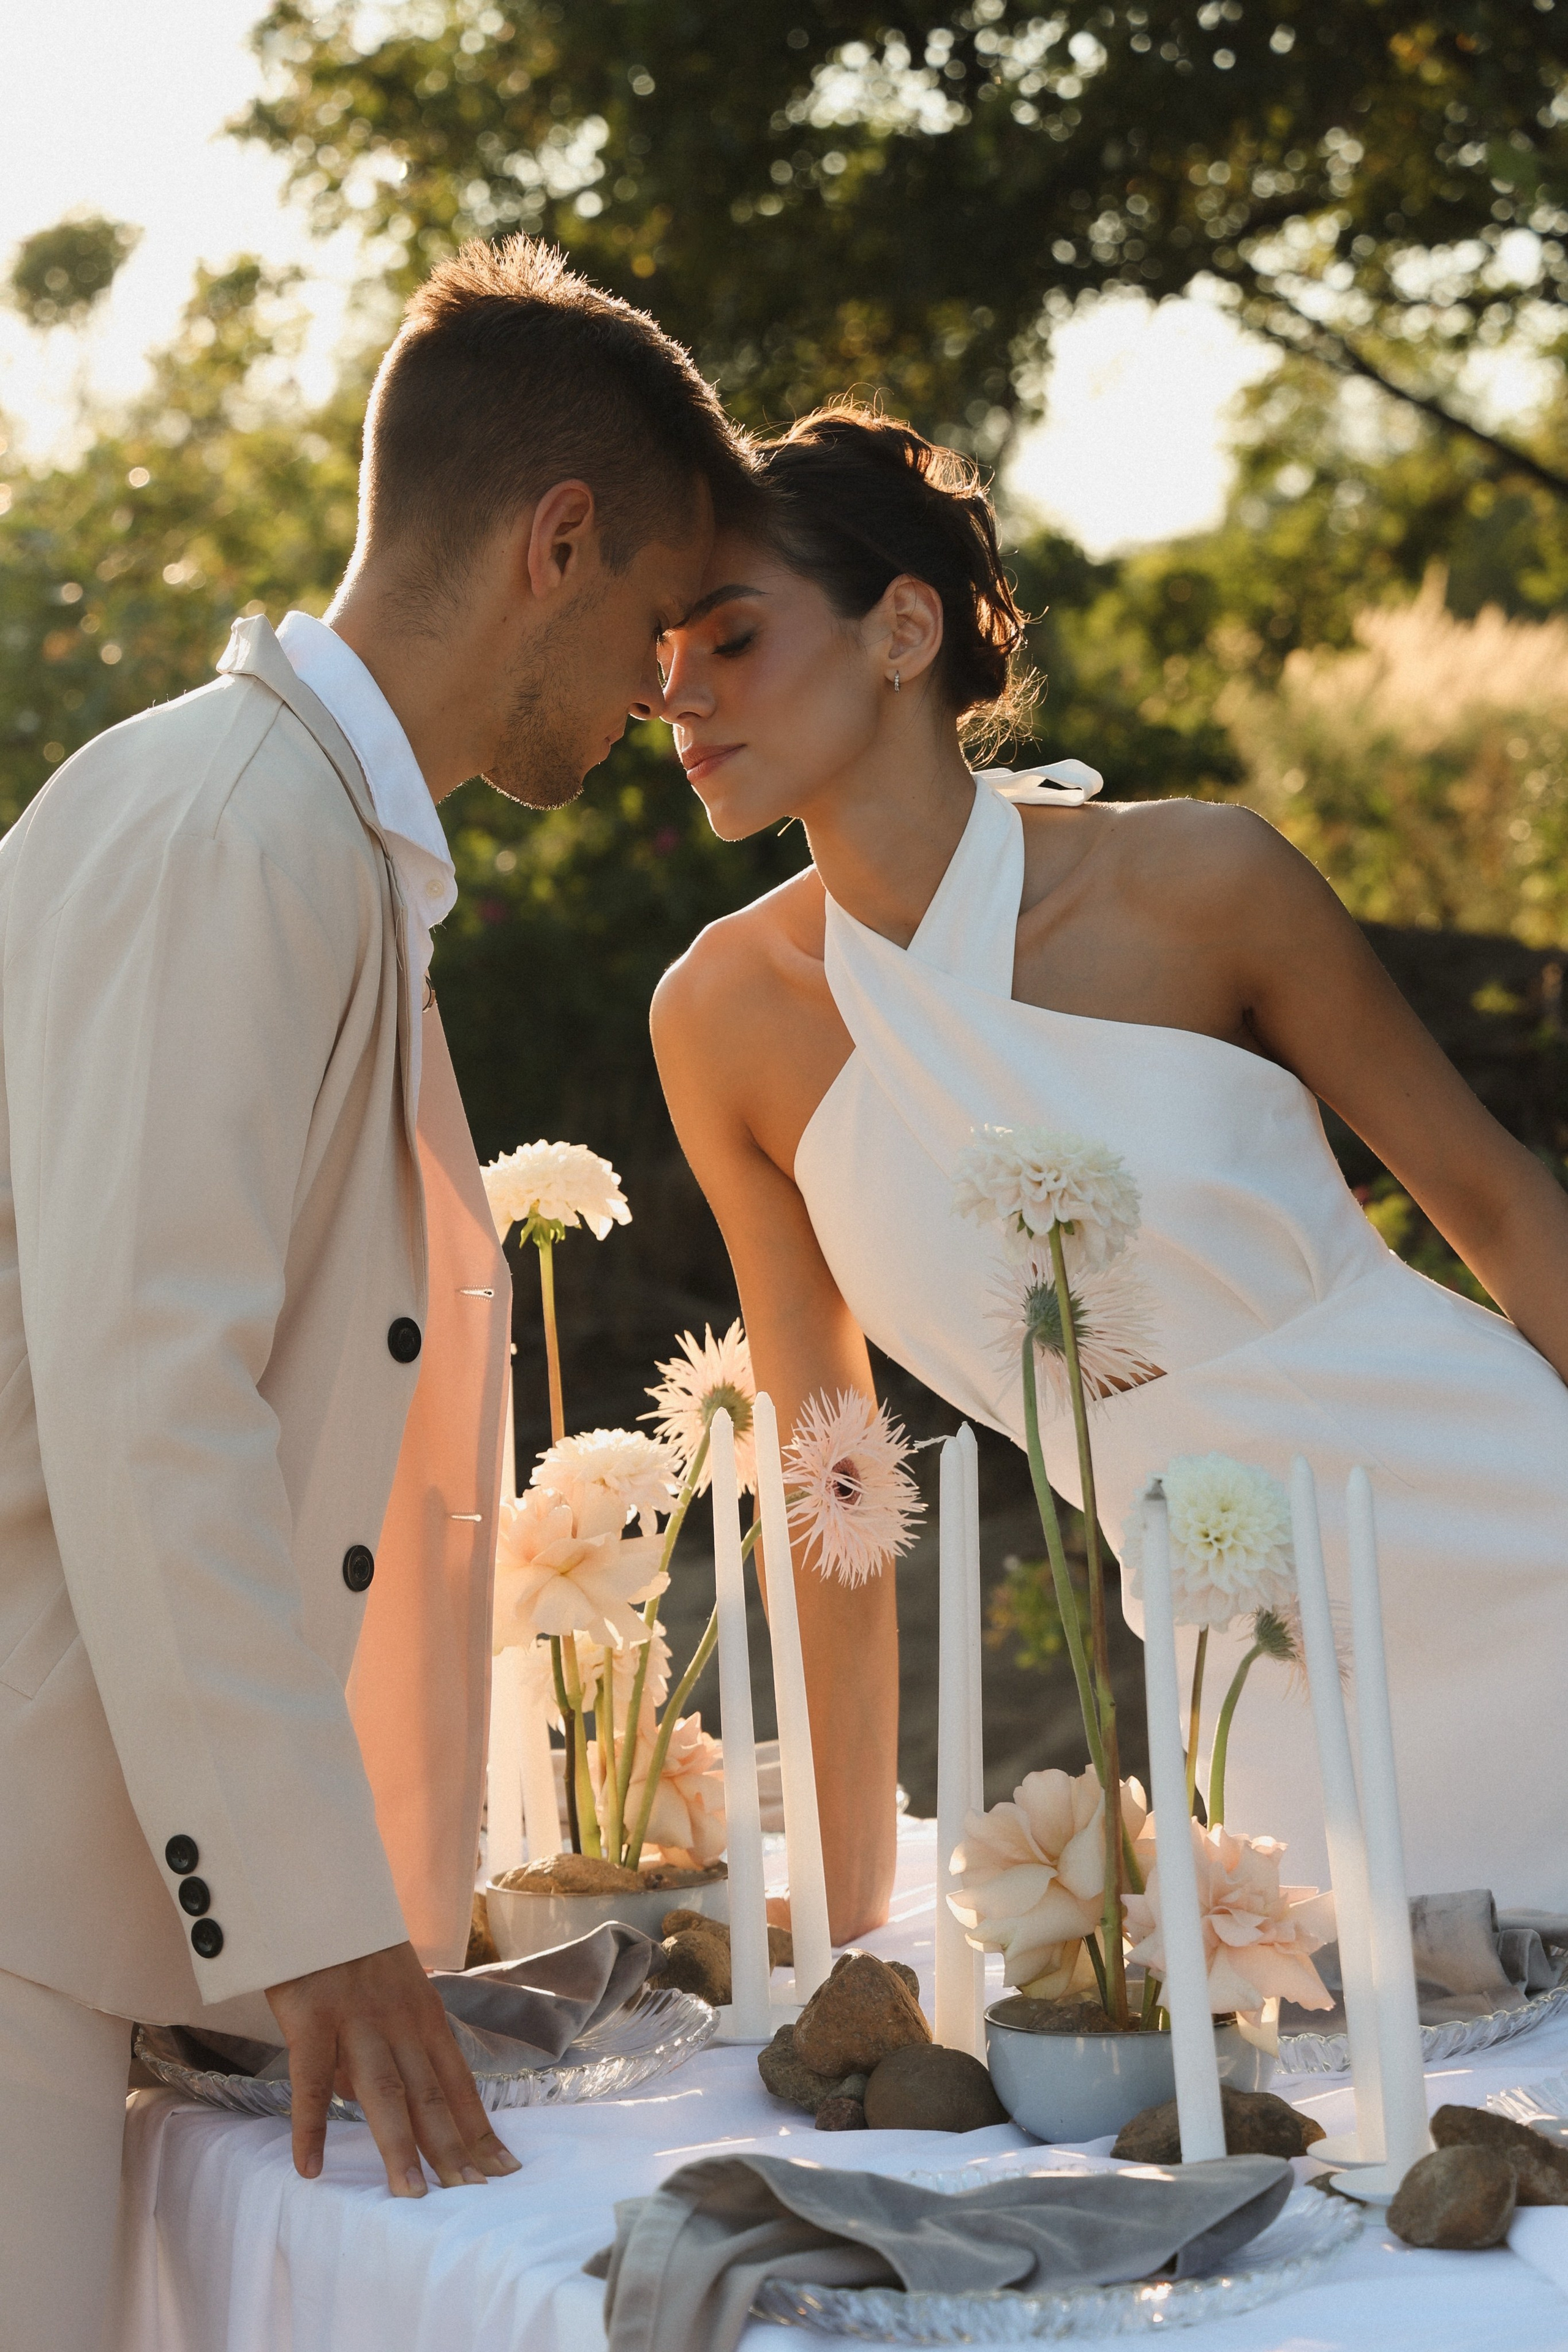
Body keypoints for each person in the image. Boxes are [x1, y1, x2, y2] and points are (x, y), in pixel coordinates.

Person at [0, 235, 754, 2351]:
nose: (658, 691)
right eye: (652, 624)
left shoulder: (303, 834)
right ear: (559, 539)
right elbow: (157, 1402)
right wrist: (319, 1927)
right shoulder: (238, 830)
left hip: (101, 1923)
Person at [649, 402, 1568, 1948]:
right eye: (661, 656)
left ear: (901, 628)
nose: (673, 693)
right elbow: (834, 1477)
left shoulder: (1202, 883)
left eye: (729, 640)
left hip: (1513, 1525)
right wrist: (846, 1895)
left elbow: (1488, 1201)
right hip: (1245, 1650)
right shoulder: (723, 1019)